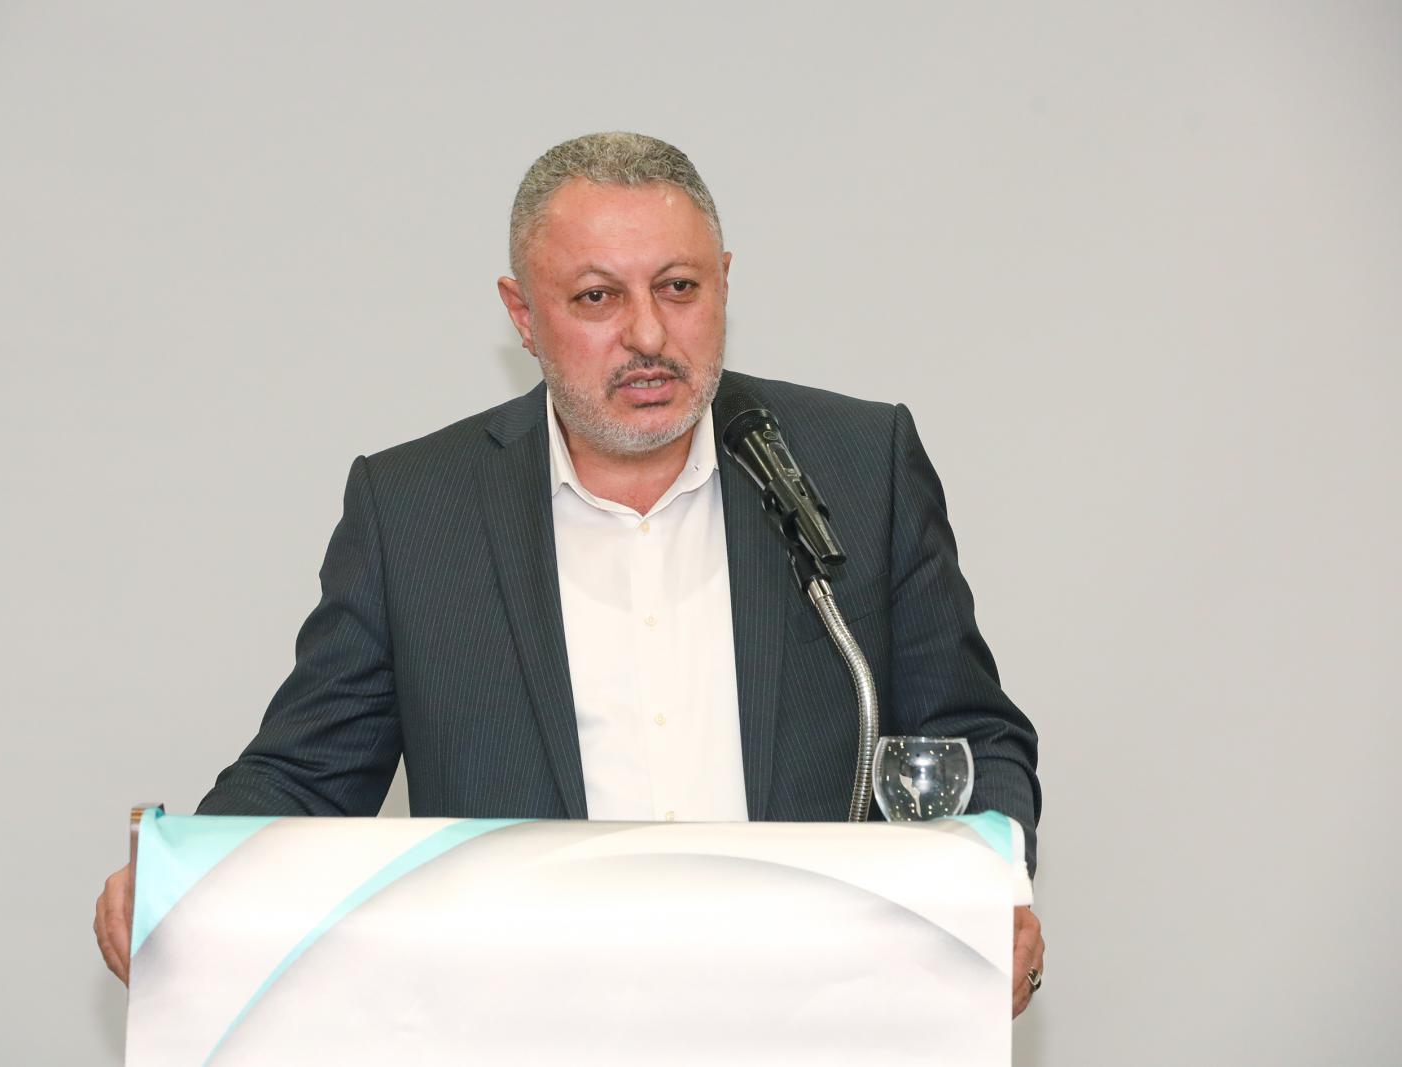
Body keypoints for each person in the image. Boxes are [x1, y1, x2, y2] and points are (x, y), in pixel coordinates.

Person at [94, 131, 1045, 1015]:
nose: (648, 335)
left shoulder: (858, 465)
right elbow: (309, 775)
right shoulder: (417, 512)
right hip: (525, 1021)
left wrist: (994, 890)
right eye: (597, 298)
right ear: (522, 314)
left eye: (678, 287)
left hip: (821, 1015)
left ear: (724, 283)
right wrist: (185, 879)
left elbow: (970, 733)